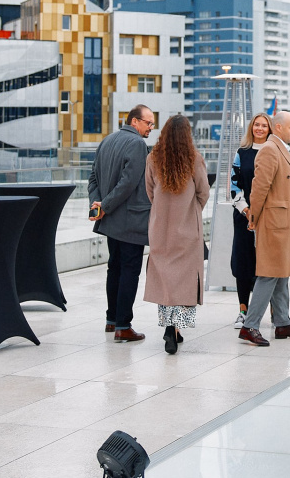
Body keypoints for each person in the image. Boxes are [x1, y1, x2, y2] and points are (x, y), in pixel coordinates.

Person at [143, 115, 210, 355]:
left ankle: (168, 327)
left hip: (160, 228)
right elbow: (203, 192)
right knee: (185, 281)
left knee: (166, 280)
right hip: (187, 230)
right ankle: (177, 328)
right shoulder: (194, 159)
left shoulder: (153, 158)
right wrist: (192, 210)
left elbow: (150, 191)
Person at [88, 104, 155, 343]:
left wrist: (97, 206)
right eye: (148, 123)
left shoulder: (107, 140)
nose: (151, 127)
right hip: (130, 221)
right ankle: (123, 326)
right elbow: (128, 183)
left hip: (111, 221)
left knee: (114, 268)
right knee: (129, 271)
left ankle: (112, 319)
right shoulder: (137, 144)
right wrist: (104, 205)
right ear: (134, 121)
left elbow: (93, 177)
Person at [240, 111, 290, 346]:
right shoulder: (270, 149)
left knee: (281, 273)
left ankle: (282, 322)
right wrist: (254, 217)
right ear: (278, 127)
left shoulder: (279, 148)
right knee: (269, 274)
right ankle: (250, 326)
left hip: (283, 222)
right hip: (274, 223)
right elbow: (259, 188)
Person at [228, 113, 273, 329]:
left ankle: (273, 312)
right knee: (243, 262)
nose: (260, 128)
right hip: (244, 216)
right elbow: (234, 186)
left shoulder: (275, 152)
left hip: (269, 217)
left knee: (268, 264)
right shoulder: (242, 153)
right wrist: (247, 210)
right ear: (251, 127)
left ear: (270, 129)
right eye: (257, 125)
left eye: (264, 125)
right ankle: (243, 311)